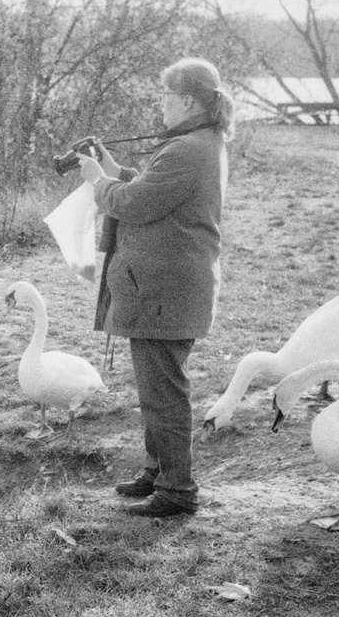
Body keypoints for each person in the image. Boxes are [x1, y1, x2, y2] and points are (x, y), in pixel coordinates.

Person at [77, 57, 232, 517]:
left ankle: (177, 491)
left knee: (163, 392)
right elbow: (151, 187)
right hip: (167, 288)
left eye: (165, 95)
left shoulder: (187, 149)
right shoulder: (200, 143)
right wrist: (113, 169)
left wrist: (98, 183)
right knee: (156, 387)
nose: (160, 104)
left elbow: (135, 203)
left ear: (187, 100)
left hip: (166, 291)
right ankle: (158, 470)